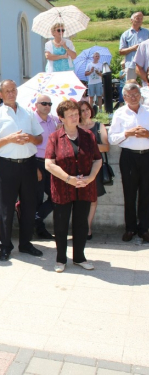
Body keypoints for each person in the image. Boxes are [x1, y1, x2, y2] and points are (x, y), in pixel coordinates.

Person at [0, 80, 43, 261]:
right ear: (0, 94)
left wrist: (30, 138)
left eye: (13, 90)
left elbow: (40, 139)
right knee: (6, 208)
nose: (11, 93)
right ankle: (5, 246)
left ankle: (25, 243)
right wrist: (9, 139)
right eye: (7, 91)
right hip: (7, 164)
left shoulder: (28, 113)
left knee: (29, 206)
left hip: (28, 164)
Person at [45, 100, 102, 273]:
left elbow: (98, 159)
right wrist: (68, 178)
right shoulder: (54, 137)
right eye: (70, 115)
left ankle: (79, 257)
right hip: (63, 188)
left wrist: (91, 177)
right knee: (61, 224)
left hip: (85, 186)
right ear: (61, 118)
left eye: (76, 114)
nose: (75, 117)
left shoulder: (88, 136)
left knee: (81, 224)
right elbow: (49, 163)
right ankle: (61, 259)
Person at [108, 83, 149, 242]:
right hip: (129, 157)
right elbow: (112, 138)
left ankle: (144, 228)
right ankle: (130, 228)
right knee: (129, 194)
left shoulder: (147, 111)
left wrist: (147, 134)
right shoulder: (119, 113)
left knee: (146, 194)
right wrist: (128, 133)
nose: (133, 97)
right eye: (129, 95)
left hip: (147, 155)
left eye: (136, 94)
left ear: (140, 95)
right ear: (124, 97)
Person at [78, 101, 109, 240]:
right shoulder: (74, 127)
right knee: (79, 199)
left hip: (94, 168)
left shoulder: (98, 126)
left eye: (87, 109)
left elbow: (106, 147)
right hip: (77, 168)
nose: (86, 112)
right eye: (82, 110)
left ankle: (87, 227)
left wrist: (90, 146)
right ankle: (79, 226)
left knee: (92, 199)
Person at [34, 95, 59, 240]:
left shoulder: (55, 121)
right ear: (36, 105)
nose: (47, 106)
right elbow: (28, 145)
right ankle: (40, 230)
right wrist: (33, 167)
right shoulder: (31, 122)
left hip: (52, 162)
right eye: (44, 103)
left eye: (49, 103)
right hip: (36, 162)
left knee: (56, 195)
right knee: (36, 198)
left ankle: (36, 217)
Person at [119, 12, 149, 81]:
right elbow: (121, 51)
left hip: (145, 64)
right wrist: (133, 48)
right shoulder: (126, 34)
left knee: (147, 84)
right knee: (130, 85)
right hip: (131, 64)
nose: (139, 20)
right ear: (131, 20)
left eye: (141, 18)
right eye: (137, 18)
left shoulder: (147, 32)